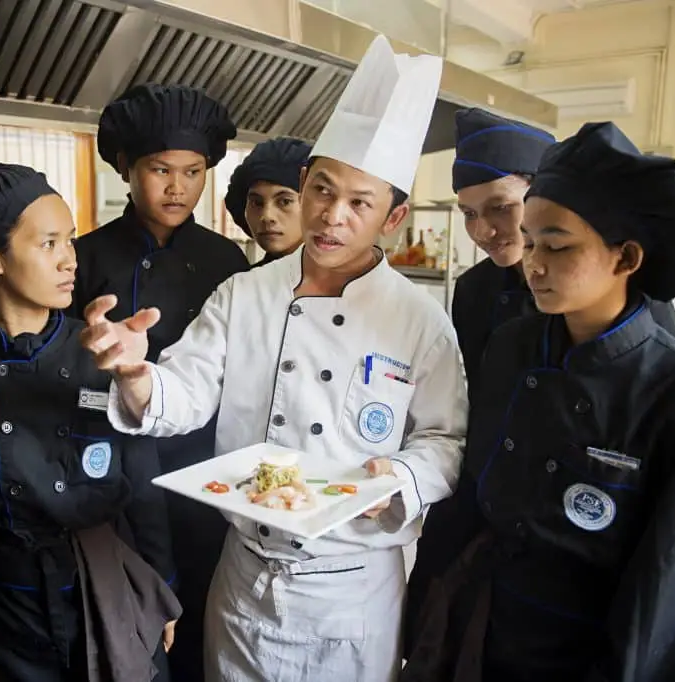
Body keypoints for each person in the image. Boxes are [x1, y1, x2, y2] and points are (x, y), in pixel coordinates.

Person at [79, 35, 466, 681]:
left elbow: (444, 438)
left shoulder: (419, 321)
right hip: (245, 574)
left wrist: (398, 477)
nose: (330, 217)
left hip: (351, 591)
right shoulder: (245, 291)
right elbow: (188, 391)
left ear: (393, 218)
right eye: (320, 189)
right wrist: (137, 373)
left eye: (359, 203)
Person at [402, 122, 675, 682]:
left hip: (582, 648)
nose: (532, 263)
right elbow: (472, 485)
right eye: (530, 242)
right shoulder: (514, 345)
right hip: (483, 624)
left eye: (555, 246)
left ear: (626, 257)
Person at [0, 163, 181, 681]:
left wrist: (161, 581)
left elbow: (142, 477)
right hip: (0, 597)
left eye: (71, 241)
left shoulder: (101, 349)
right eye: (50, 243)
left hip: (103, 580)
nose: (70, 261)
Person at [69, 82, 250, 682]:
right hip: (113, 471)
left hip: (203, 470)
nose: (178, 187)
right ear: (126, 167)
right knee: (126, 626)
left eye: (194, 171)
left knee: (202, 613)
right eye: (160, 169)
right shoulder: (84, 259)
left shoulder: (228, 263)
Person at [449, 108, 675, 386]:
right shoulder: (473, 290)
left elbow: (663, 390)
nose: (482, 231)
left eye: (501, 207)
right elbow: (482, 397)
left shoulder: (624, 285)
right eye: (469, 214)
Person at [224, 137, 312, 267]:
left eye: (285, 202)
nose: (267, 216)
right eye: (256, 203)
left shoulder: (349, 284)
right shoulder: (240, 284)